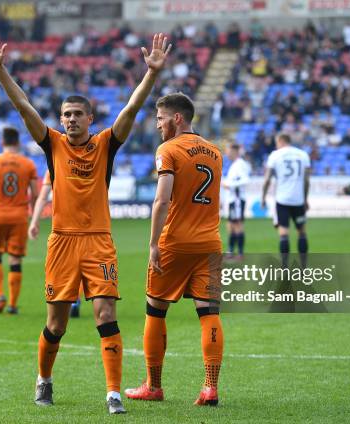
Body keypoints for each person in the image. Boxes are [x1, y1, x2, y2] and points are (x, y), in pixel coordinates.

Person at [0, 29, 171, 414]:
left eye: (77, 114)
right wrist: (0, 71)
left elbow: (132, 110)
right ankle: (44, 379)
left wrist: (150, 74)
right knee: (57, 324)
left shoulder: (105, 143)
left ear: (90, 118)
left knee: (106, 313)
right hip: (62, 242)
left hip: (99, 241)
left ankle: (114, 393)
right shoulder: (51, 143)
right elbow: (24, 108)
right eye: (65, 115)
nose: (70, 120)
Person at [125, 93, 224, 406]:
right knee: (209, 313)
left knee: (155, 309)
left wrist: (154, 243)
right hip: (210, 243)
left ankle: (153, 386)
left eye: (160, 118)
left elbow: (162, 199)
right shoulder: (216, 152)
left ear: (176, 118)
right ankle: (210, 387)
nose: (157, 125)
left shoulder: (168, 149)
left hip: (176, 243)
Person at [0, 127, 38, 315]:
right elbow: (35, 194)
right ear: (18, 143)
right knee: (15, 259)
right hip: (19, 216)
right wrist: (33, 216)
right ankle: (12, 304)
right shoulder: (28, 164)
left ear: (2, 142)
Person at [28, 170, 81, 318]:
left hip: (64, 227)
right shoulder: (90, 160)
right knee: (81, 264)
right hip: (88, 225)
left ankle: (70, 298)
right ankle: (75, 298)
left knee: (66, 266)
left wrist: (34, 222)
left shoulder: (55, 166)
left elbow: (43, 197)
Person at [261, 133, 311, 267]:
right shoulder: (303, 155)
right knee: (302, 232)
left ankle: (284, 267)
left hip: (282, 200)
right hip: (298, 200)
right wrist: (305, 199)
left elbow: (267, 180)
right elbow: (306, 181)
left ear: (280, 141)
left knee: (283, 234)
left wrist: (263, 197)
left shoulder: (275, 155)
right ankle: (304, 266)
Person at [223, 143, 251, 259]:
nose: (226, 153)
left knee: (237, 224)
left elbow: (245, 180)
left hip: (237, 199)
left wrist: (230, 184)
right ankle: (230, 251)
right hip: (232, 199)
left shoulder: (240, 164)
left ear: (235, 151)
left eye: (228, 151)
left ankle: (239, 253)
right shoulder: (234, 164)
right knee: (230, 225)